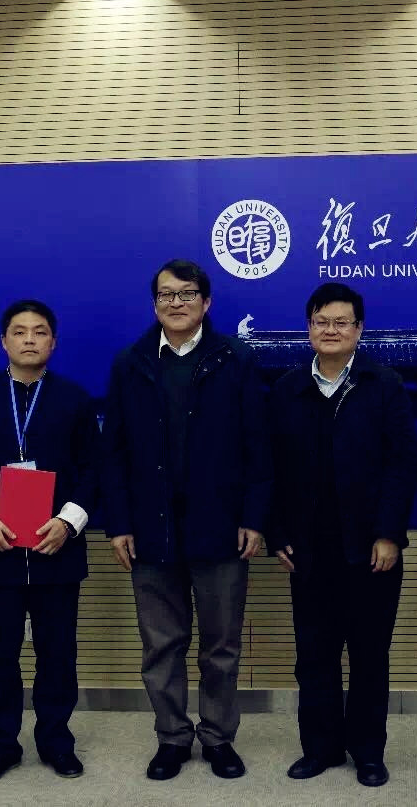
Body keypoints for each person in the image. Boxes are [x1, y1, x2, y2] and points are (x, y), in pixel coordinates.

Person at [101, 259, 271, 782]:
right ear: (155, 304)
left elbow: (259, 446)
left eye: (187, 293)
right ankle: (172, 737)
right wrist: (119, 523)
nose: (176, 303)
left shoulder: (235, 358)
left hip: (220, 526)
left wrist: (253, 517)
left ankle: (218, 737)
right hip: (151, 529)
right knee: (161, 644)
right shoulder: (130, 363)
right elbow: (113, 453)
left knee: (221, 645)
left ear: (206, 302)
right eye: (166, 295)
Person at [267, 283, 417, 788]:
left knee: (370, 655)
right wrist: (277, 533)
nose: (330, 330)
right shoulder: (287, 388)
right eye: (321, 321)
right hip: (308, 549)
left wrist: (389, 533)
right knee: (314, 655)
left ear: (359, 329)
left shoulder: (384, 383)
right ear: (308, 327)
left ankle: (368, 751)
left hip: (371, 548)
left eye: (341, 322)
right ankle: (320, 747)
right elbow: (271, 468)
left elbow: (403, 464)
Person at [0, 299, 99, 785]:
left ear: (53, 341)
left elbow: (94, 470)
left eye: (39, 331)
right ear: (3, 341)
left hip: (57, 549)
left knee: (58, 653)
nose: (29, 339)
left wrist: (69, 522)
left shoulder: (75, 399)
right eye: (19, 331)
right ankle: (1, 746)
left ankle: (56, 741)